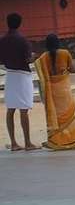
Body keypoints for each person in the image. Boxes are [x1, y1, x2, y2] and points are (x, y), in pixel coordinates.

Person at [34, 34, 75, 150]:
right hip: (64, 89)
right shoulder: (65, 53)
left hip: (52, 91)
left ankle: (57, 141)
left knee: (57, 117)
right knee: (70, 115)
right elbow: (73, 69)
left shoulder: (43, 57)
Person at [0, 12, 38, 151]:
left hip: (10, 75)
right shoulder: (22, 40)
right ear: (20, 23)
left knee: (10, 109)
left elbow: (1, 59)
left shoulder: (2, 40)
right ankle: (27, 142)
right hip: (22, 75)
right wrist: (33, 56)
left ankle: (14, 143)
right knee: (23, 110)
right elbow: (28, 59)